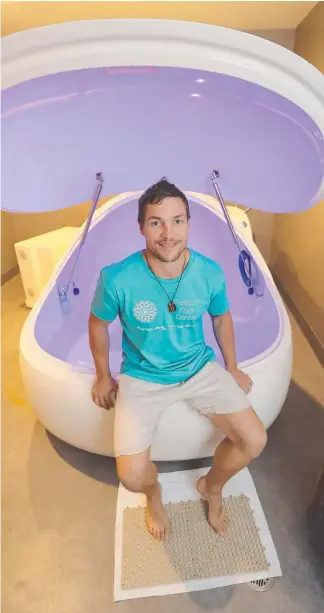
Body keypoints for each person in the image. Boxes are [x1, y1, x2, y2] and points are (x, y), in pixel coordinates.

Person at [88, 178, 267, 542]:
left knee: (254, 440)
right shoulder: (117, 277)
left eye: (178, 221)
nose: (168, 233)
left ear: (188, 223)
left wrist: (231, 367)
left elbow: (221, 317)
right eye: (156, 222)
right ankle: (154, 496)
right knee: (132, 475)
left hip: (198, 367)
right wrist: (102, 376)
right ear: (141, 227)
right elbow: (97, 322)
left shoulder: (209, 272)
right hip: (142, 376)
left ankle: (211, 487)